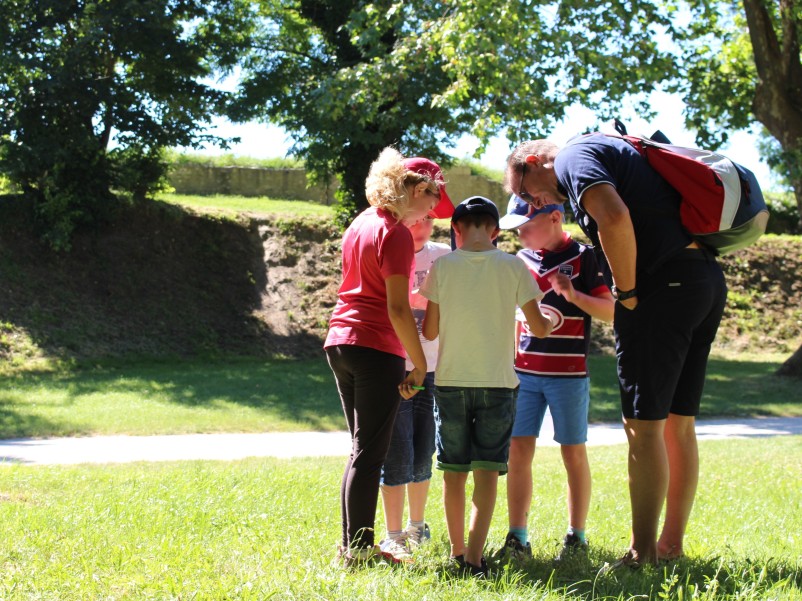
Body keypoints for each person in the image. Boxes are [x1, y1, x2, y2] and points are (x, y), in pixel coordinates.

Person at [505, 135, 727, 567]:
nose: (535, 200)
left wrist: (626, 293)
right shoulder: (608, 150)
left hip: (663, 287)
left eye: (527, 191)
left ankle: (641, 553)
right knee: (678, 424)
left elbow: (614, 215)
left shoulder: (572, 158)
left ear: (534, 162)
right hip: (701, 280)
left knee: (643, 426)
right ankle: (670, 545)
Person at [324, 147, 453, 567]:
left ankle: (352, 547)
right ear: (416, 187)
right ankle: (358, 552)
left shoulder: (360, 222)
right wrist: (417, 363)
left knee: (362, 449)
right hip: (375, 346)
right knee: (371, 452)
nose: (432, 211)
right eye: (433, 200)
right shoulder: (394, 231)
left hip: (341, 341)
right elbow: (399, 309)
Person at [420, 196, 554, 577]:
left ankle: (457, 553)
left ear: (457, 230)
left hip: (450, 382)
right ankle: (476, 561)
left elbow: (429, 330)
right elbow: (539, 327)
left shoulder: (442, 267)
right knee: (487, 472)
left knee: (453, 473)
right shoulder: (513, 266)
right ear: (495, 231)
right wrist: (550, 323)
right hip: (498, 384)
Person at [494, 195, 614, 564]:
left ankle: (576, 535)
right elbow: (515, 316)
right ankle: (518, 535)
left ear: (556, 218)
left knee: (573, 452)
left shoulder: (587, 257)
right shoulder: (519, 261)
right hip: (525, 375)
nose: (522, 236)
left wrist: (573, 294)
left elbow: (610, 312)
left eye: (526, 229)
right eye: (517, 231)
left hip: (568, 375)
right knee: (518, 452)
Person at [378, 214, 451, 562]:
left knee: (424, 450)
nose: (420, 225)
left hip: (435, 367)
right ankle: (392, 534)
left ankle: (416, 527)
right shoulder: (391, 249)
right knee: (396, 450)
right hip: (396, 365)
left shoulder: (444, 255)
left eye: (426, 218)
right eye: (414, 218)